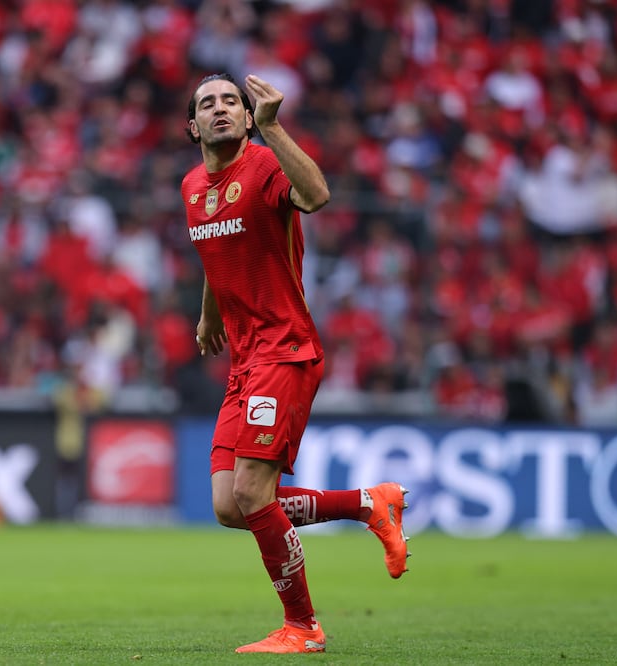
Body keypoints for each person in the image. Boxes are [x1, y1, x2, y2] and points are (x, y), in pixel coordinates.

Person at [182, 73, 410, 654]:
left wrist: (275, 127)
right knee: (230, 505)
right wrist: (209, 315)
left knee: (255, 495)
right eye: (208, 104)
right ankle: (369, 503)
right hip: (244, 359)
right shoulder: (190, 188)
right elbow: (217, 256)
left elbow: (316, 197)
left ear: (247, 113)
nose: (221, 109)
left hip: (285, 348)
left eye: (231, 100)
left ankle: (303, 628)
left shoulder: (261, 166)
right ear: (193, 126)